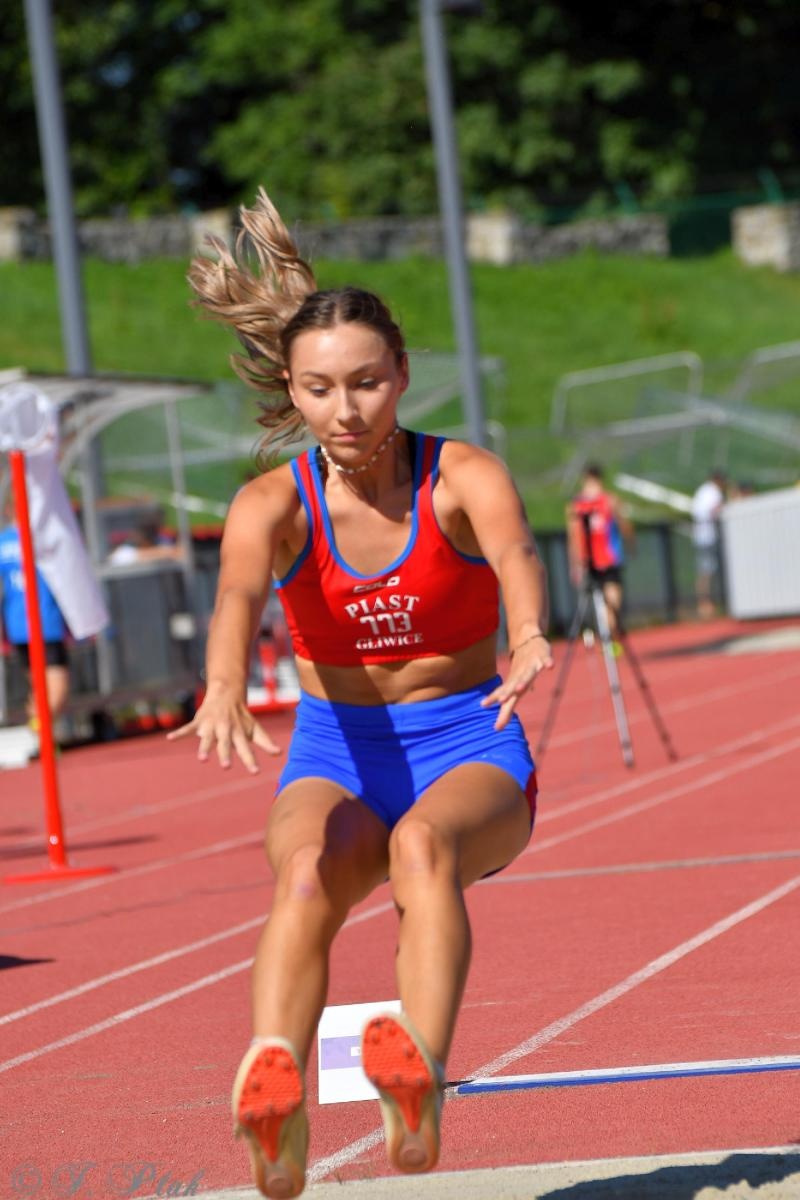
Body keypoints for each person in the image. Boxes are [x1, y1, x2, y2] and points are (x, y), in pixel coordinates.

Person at [169, 188, 553, 1199]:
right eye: (319, 389)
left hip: (467, 741)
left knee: (422, 850)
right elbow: (237, 597)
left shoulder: (458, 475)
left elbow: (513, 551)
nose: (346, 411)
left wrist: (524, 636)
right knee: (302, 875)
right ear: (291, 393)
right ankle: (275, 1103)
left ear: (402, 377)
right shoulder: (272, 503)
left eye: (368, 383)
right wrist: (219, 685)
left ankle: (413, 1077)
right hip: (335, 746)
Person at [0, 499, 70, 734]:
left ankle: (42, 733)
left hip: (20, 624)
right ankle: (40, 730)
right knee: (55, 687)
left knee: (42, 689)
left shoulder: (4, 542)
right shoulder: (40, 538)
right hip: (42, 621)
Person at [566, 463, 634, 644]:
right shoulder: (605, 501)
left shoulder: (580, 505)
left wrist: (574, 564)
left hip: (598, 560)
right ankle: (607, 636)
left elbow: (572, 537)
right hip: (601, 560)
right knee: (609, 603)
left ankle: (607, 636)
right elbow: (625, 526)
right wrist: (631, 544)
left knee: (607, 604)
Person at [690, 469, 726, 619]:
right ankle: (706, 604)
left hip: (701, 535)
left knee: (705, 571)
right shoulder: (713, 492)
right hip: (708, 536)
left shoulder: (702, 491)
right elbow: (716, 510)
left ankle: (705, 603)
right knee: (707, 571)